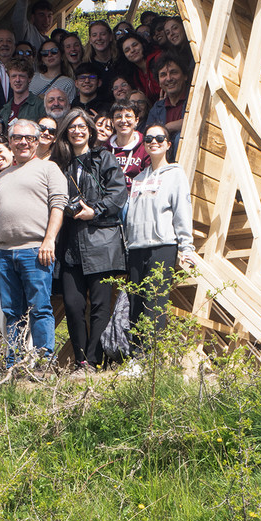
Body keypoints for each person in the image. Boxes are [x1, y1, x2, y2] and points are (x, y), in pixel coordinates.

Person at [0, 119, 67, 368]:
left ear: (37, 140)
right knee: (12, 312)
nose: (23, 142)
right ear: (10, 142)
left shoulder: (49, 168)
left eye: (29, 138)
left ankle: (44, 362)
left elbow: (58, 206)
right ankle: (15, 365)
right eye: (17, 138)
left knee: (40, 308)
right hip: (5, 253)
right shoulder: (2, 176)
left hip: (36, 250)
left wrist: (49, 240)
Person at [53, 109, 128, 372]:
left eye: (81, 126)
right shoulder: (59, 164)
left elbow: (118, 193)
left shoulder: (103, 157)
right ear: (65, 132)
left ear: (90, 130)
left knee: (100, 305)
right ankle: (81, 360)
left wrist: (95, 210)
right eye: (72, 127)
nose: (77, 131)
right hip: (69, 245)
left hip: (101, 241)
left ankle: (92, 362)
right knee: (73, 306)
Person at [124, 124, 194, 354]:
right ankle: (136, 356)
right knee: (136, 303)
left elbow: (182, 210)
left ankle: (151, 358)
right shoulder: (138, 179)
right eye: (149, 139)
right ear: (144, 145)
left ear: (168, 144)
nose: (154, 142)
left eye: (160, 138)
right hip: (136, 247)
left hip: (162, 245)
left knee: (155, 302)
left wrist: (186, 246)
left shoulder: (176, 174)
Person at [147, 55, 190, 149]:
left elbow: (197, 121)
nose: (169, 78)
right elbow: (148, 136)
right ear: (159, 82)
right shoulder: (156, 109)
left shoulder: (194, 100)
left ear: (185, 76)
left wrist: (169, 127)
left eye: (173, 72)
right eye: (163, 75)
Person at [109, 102, 148, 192]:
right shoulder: (106, 148)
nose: (123, 120)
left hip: (137, 195)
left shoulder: (145, 146)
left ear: (136, 120)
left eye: (128, 116)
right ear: (112, 121)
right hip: (111, 195)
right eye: (118, 117)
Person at [0, 55, 45, 129]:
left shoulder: (40, 106)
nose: (17, 80)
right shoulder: (4, 110)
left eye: (21, 76)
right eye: (13, 76)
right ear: (9, 79)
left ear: (29, 78)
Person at [31, 38, 75, 103]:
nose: (49, 55)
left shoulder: (68, 83)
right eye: (45, 53)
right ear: (41, 59)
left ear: (61, 55)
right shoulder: (32, 77)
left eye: (54, 51)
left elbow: (68, 107)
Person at [119, 34, 160, 101]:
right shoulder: (136, 76)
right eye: (127, 50)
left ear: (143, 44)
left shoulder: (158, 60)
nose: (132, 50)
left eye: (135, 45)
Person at [86, 19, 121, 83]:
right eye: (94, 35)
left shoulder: (122, 60)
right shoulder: (88, 65)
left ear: (110, 37)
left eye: (103, 34)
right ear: (90, 40)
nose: (99, 38)